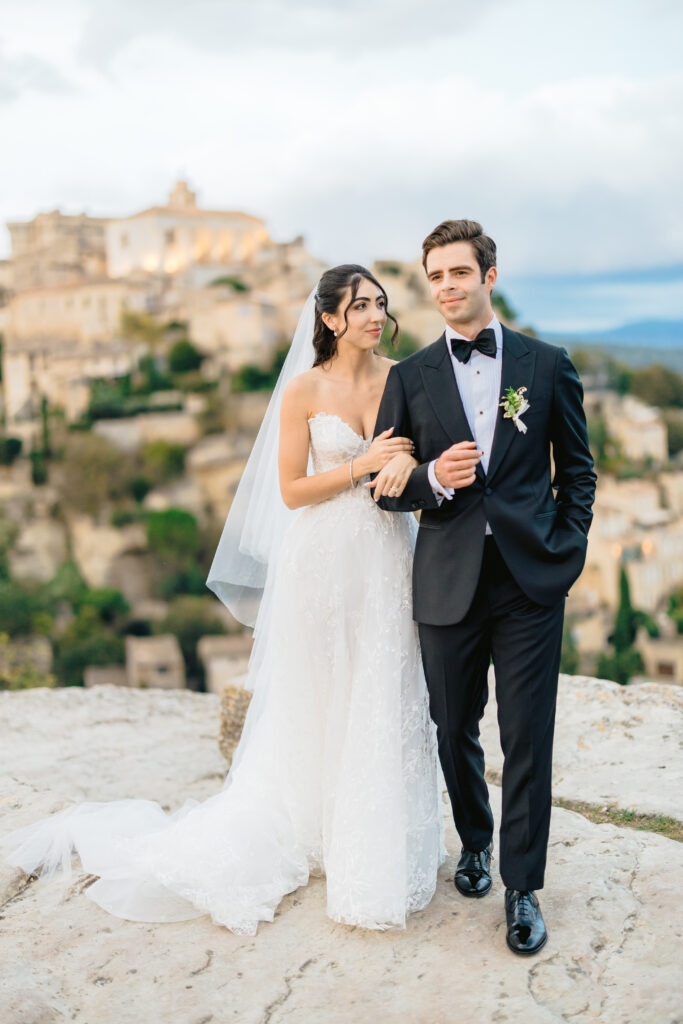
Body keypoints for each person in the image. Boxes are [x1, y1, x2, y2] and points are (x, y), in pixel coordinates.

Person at [1, 266, 445, 936]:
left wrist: (410, 466)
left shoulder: (404, 378)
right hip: (321, 559)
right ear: (328, 319)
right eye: (358, 306)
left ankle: (380, 838)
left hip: (387, 554)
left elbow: (417, 460)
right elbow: (292, 491)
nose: (373, 316)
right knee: (323, 693)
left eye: (379, 304)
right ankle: (319, 825)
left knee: (385, 690)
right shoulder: (302, 389)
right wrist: (361, 464)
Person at [371, 220, 596, 955]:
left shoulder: (547, 362)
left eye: (458, 273)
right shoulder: (407, 377)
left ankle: (521, 886)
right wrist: (433, 479)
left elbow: (578, 472)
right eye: (434, 276)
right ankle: (474, 839)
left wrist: (566, 546)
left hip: (530, 579)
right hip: (444, 580)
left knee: (527, 735)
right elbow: (384, 486)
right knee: (450, 723)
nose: (445, 287)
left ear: (488, 277)